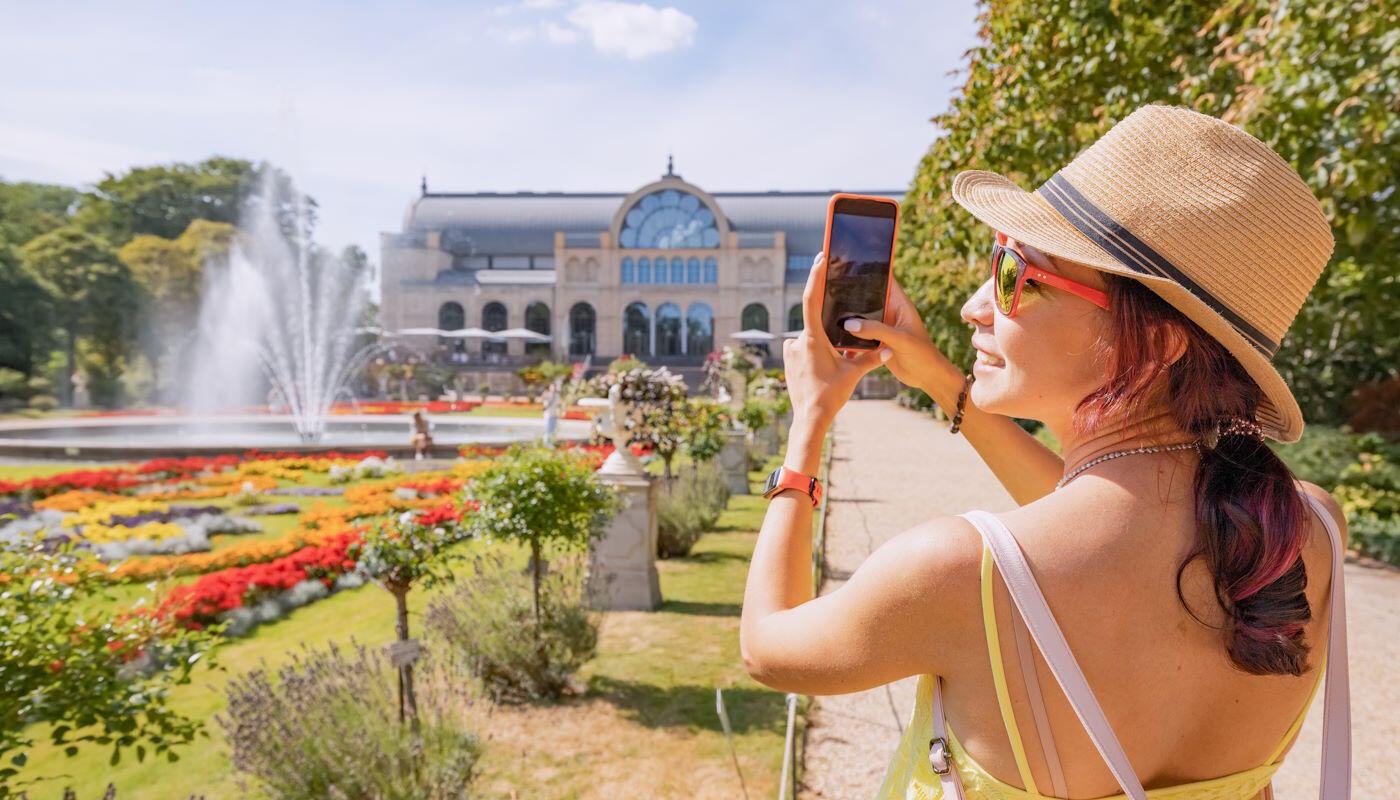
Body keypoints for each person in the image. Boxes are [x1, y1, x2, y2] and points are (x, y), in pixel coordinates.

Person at [740, 104, 1350, 799]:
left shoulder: (958, 569)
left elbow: (769, 647)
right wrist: (942, 378)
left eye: (1012, 273)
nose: (974, 305)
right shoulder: (1304, 531)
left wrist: (808, 426)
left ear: (1152, 343)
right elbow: (1099, 517)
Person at [541, 379, 560, 447]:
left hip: (554, 415)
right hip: (548, 415)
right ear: (550, 388)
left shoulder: (557, 395)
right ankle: (545, 443)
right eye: (552, 387)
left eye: (554, 387)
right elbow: (543, 400)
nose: (553, 388)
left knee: (553, 430)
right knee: (547, 429)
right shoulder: (547, 395)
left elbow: (558, 405)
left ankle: (551, 443)